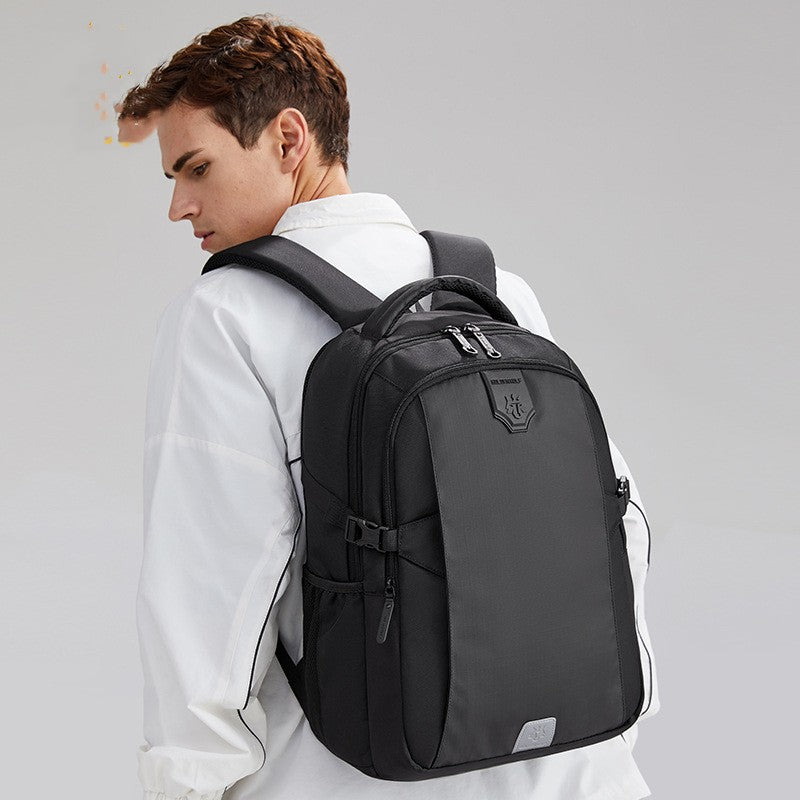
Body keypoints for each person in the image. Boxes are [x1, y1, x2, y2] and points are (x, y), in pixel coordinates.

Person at [118, 13, 659, 800]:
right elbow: (617, 522)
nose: (178, 205)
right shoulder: (496, 291)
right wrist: (609, 731)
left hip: (347, 774)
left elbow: (208, 593)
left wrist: (187, 784)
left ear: (288, 139)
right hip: (574, 768)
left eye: (195, 167)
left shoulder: (223, 316)